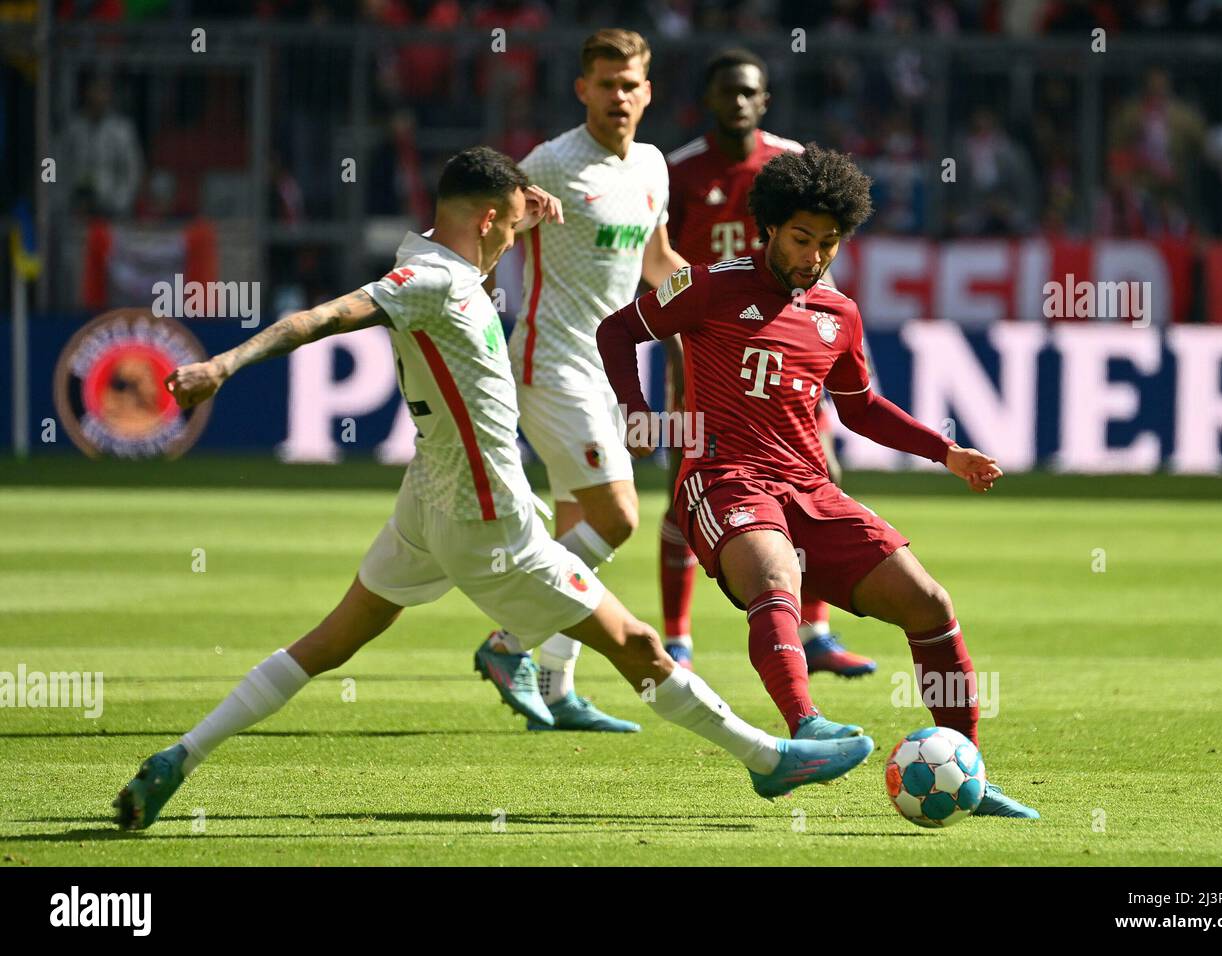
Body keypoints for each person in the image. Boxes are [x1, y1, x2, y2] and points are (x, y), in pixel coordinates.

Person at [112, 147, 873, 831]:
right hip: (489, 521)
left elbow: (475, 237)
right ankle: (768, 760)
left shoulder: (442, 256)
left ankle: (180, 756)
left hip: (426, 502)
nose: (519, 237)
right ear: (484, 220)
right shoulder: (431, 282)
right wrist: (222, 366)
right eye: (511, 225)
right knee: (635, 643)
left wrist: (528, 204)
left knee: (329, 642)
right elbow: (323, 316)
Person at [596, 143, 1039, 818]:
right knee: (774, 581)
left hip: (810, 488)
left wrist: (945, 452)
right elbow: (617, 331)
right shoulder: (710, 285)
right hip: (723, 480)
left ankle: (966, 770)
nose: (813, 255)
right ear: (768, 226)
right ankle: (805, 729)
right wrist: (638, 415)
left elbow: (860, 408)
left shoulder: (838, 314)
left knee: (930, 605)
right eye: (802, 238)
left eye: (829, 243)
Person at [485, 28, 691, 732]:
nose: (619, 97)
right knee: (618, 517)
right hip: (549, 363)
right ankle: (507, 640)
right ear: (583, 90)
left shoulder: (655, 167)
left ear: (648, 90)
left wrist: (717, 299)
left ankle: (557, 685)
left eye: (630, 84)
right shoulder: (552, 162)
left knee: (579, 529)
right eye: (605, 84)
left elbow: (657, 261)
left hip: (607, 372)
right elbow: (484, 228)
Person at [660, 47, 875, 677]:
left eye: (749, 92)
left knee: (820, 478)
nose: (739, 102)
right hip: (702, 349)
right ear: (709, 100)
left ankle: (816, 630)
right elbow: (657, 261)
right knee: (685, 490)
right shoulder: (679, 172)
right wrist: (676, 348)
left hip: (785, 347)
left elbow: (821, 256)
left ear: (764, 100)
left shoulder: (791, 163)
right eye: (727, 92)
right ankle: (678, 638)